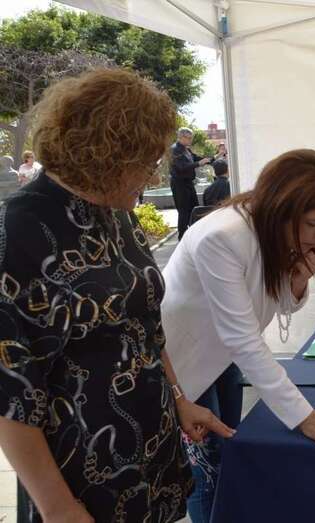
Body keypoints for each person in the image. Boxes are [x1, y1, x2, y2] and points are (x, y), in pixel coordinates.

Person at [0, 68, 233, 523]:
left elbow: (144, 324)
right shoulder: (18, 236)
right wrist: (57, 507)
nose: (153, 174)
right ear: (105, 152)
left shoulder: (113, 212)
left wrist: (179, 399)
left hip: (154, 452)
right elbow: (10, 395)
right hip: (81, 479)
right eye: (146, 162)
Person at [161, 148, 315, 523]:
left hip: (220, 359)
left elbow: (276, 306)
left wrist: (299, 279)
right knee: (205, 472)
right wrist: (303, 416)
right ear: (284, 208)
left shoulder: (267, 227)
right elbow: (243, 336)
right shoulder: (222, 237)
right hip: (184, 366)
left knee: (228, 455)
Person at [169, 127, 213, 240]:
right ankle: (182, 237)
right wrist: (198, 163)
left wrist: (212, 159)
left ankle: (194, 235)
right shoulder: (174, 150)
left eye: (191, 138)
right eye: (188, 138)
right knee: (183, 211)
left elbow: (196, 158)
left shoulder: (186, 149)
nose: (190, 140)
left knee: (194, 208)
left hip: (188, 183)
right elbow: (181, 168)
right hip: (179, 184)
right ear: (181, 137)